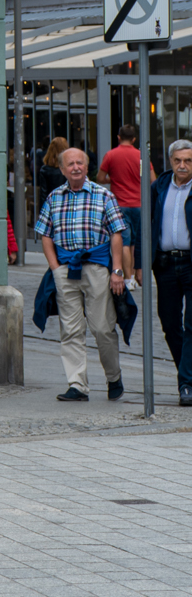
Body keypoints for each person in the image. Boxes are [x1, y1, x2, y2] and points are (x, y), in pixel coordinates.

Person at [35, 145, 128, 403]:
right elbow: (44, 234)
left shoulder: (103, 195)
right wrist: (55, 269)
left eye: (80, 163)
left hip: (96, 268)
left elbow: (117, 233)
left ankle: (113, 376)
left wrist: (117, 270)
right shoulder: (55, 197)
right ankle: (77, 385)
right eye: (70, 164)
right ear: (63, 170)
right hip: (66, 270)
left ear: (87, 168)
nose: (76, 167)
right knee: (70, 329)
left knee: (102, 328)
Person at [148, 140, 192, 404]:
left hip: (190, 264)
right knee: (170, 324)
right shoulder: (159, 187)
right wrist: (141, 264)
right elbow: (147, 225)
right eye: (178, 160)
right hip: (164, 264)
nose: (183, 165)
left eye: (187, 160)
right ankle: (186, 374)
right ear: (170, 161)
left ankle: (186, 384)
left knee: (191, 325)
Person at [99, 125, 143, 279]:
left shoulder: (111, 155)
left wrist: (114, 178)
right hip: (139, 203)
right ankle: (133, 273)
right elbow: (151, 180)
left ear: (118, 137)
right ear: (134, 139)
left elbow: (99, 178)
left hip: (119, 204)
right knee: (134, 243)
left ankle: (128, 278)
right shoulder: (140, 155)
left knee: (124, 241)